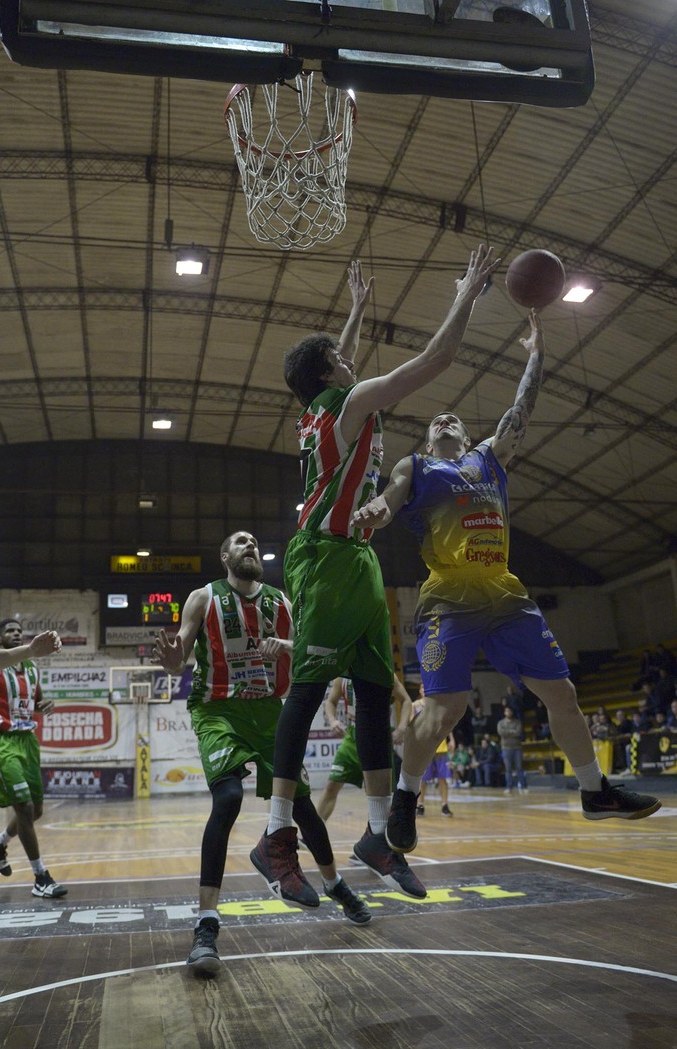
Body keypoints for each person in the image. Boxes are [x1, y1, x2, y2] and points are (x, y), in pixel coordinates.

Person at [351, 309, 662, 857]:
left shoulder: (491, 458)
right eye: (436, 420)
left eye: (454, 418)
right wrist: (375, 509)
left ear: (469, 433)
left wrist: (537, 355)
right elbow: (389, 500)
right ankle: (406, 796)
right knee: (446, 707)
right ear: (428, 438)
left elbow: (522, 409)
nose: (445, 419)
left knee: (562, 693)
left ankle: (594, 790)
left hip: (506, 593)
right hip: (448, 597)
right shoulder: (415, 468)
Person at [251, 245, 500, 905]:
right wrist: (467, 292)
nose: (348, 353)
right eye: (340, 350)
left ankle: (378, 836)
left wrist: (357, 311)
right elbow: (436, 361)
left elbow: (340, 370)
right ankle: (275, 835)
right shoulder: (349, 401)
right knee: (306, 691)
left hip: (355, 555)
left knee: (369, 689)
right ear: (332, 369)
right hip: (326, 555)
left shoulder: (322, 406)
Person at [153, 530, 371, 976]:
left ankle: (335, 884)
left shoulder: (282, 603)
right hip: (220, 711)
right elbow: (180, 658)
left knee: (305, 810)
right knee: (228, 799)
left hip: (272, 711)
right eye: (239, 541)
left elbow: (312, 652)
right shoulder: (203, 598)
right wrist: (174, 660)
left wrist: (288, 646)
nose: (250, 545)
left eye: (254, 542)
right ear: (224, 554)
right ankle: (206, 924)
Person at [0, 615, 65, 897]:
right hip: (2, 742)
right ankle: (40, 876)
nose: (17, 634)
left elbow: (35, 701)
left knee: (36, 810)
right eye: (10, 631)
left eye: (19, 630)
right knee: (25, 809)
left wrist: (44, 704)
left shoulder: (30, 667)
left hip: (28, 740)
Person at [317, 675, 412, 824]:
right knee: (331, 785)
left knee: (380, 794)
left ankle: (382, 835)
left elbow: (406, 700)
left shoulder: (384, 671)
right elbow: (330, 702)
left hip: (378, 734)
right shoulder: (343, 676)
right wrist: (332, 720)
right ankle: (313, 835)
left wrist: (401, 728)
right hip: (352, 736)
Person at [497, 705, 528, 794]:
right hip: (506, 748)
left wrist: (508, 732)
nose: (508, 713)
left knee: (519, 768)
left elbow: (518, 732)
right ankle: (509, 787)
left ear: (512, 712)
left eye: (509, 711)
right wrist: (512, 731)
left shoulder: (517, 722)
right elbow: (501, 733)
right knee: (508, 769)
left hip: (517, 747)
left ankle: (523, 786)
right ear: (504, 712)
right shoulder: (501, 723)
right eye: (506, 711)